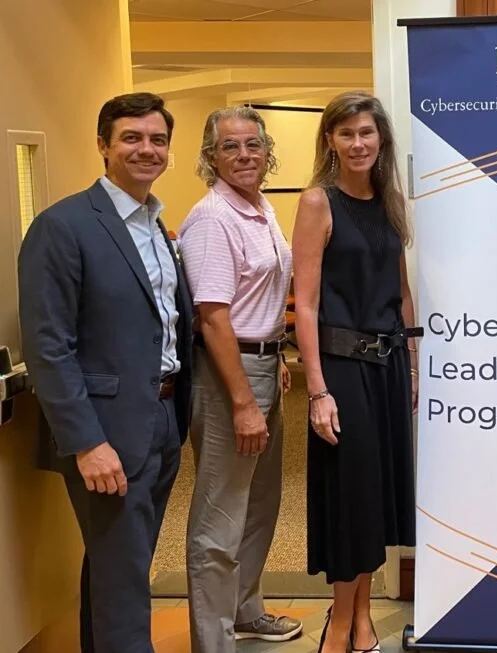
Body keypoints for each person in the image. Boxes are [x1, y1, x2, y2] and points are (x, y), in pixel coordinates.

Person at [17, 92, 192, 653]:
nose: (147, 149)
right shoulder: (63, 226)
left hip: (163, 418)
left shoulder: (157, 225)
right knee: (124, 581)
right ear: (103, 146)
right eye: (132, 138)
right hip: (106, 430)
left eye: (157, 139)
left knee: (121, 568)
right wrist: (87, 442)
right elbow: (48, 345)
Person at [292, 90, 419, 653]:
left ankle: (362, 612)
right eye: (346, 134)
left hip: (388, 367)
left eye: (367, 132)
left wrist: (412, 366)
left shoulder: (389, 200)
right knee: (349, 495)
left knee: (373, 498)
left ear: (381, 139)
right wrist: (316, 389)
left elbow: (402, 289)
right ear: (331, 141)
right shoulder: (319, 201)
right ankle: (340, 620)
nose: (358, 143)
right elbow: (308, 302)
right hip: (340, 369)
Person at [176, 106, 301, 650]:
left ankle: (246, 610)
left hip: (263, 362)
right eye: (231, 147)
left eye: (253, 144)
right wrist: (244, 400)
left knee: (259, 502)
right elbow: (213, 317)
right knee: (220, 515)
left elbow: (257, 298)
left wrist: (273, 357)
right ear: (210, 158)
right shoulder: (212, 218)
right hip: (231, 372)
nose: (244, 155)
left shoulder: (258, 207)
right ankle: (213, 639)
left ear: (267, 152)